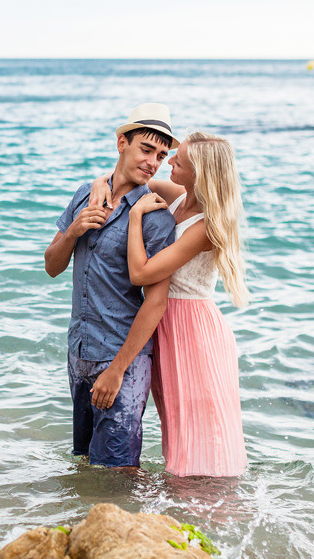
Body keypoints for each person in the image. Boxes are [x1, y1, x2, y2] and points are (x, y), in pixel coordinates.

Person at [90, 131, 249, 476]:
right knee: (175, 424)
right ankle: (181, 509)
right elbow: (124, 177)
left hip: (193, 330)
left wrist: (135, 219)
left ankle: (211, 511)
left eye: (180, 160)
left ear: (200, 173)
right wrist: (98, 182)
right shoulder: (177, 195)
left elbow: (142, 273)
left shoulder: (206, 225)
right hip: (165, 324)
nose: (170, 160)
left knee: (203, 430)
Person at [44, 103, 178, 468]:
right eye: (146, 150)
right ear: (122, 143)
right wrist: (74, 230)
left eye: (162, 156)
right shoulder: (86, 193)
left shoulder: (155, 218)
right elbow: (52, 266)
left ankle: (137, 525)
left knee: (117, 472)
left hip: (121, 360)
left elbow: (156, 303)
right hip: (80, 351)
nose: (153, 162)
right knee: (85, 465)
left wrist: (117, 369)